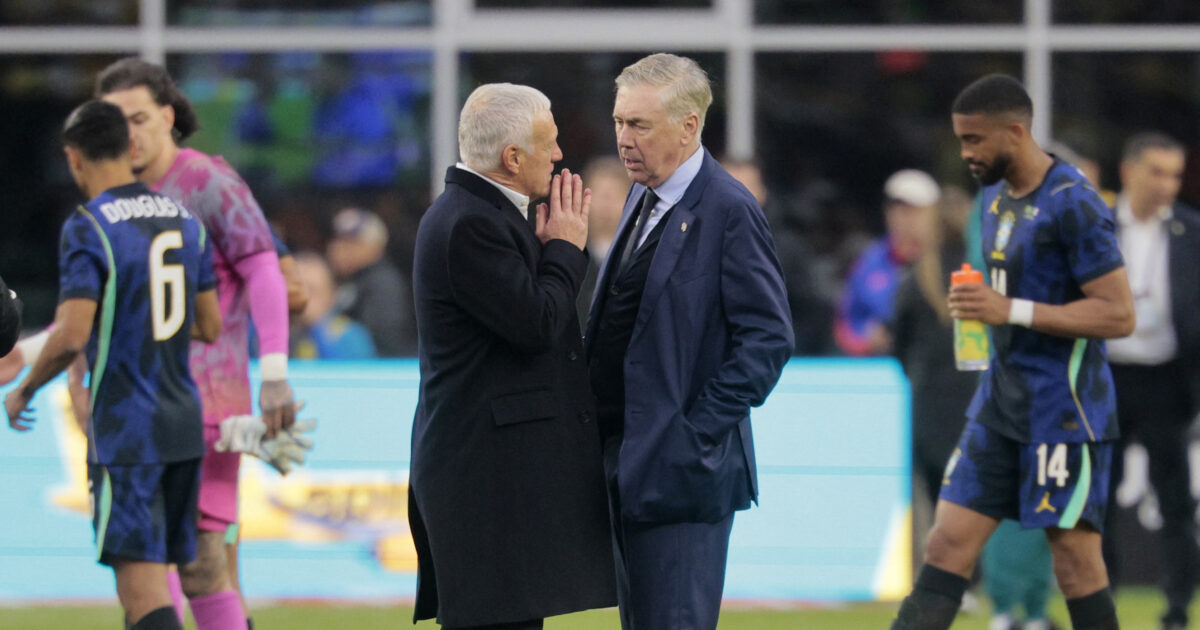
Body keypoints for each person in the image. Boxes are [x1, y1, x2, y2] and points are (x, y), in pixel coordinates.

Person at [890, 73, 1134, 630]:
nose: (966, 153)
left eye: (975, 140)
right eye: (961, 140)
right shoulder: (995, 198)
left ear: (1016, 133)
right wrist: (978, 310)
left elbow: (1119, 314)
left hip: (1064, 410)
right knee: (946, 545)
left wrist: (1011, 310)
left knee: (1076, 564)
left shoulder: (1075, 204)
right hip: (999, 403)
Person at [586, 53, 793, 630]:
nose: (624, 139)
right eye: (620, 122)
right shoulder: (640, 195)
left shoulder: (729, 209)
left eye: (640, 125)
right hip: (629, 467)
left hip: (681, 476)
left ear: (689, 127)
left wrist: (693, 433)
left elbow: (768, 341)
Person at [96, 57, 297, 630]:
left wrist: (275, 372)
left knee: (181, 566)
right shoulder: (119, 191)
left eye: (138, 118)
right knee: (175, 569)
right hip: (139, 403)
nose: (128, 134)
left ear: (167, 114)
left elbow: (264, 271)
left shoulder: (207, 181)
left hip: (207, 404)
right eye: (115, 122)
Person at [4, 100, 220, 630]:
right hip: (182, 424)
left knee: (142, 594)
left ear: (73, 158)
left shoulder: (89, 226)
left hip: (128, 429)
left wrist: (26, 388)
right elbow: (209, 325)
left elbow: (73, 332)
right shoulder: (185, 219)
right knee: (171, 577)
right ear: (129, 150)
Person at [408, 83, 616, 629]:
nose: (559, 154)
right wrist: (568, 249)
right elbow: (537, 323)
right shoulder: (471, 223)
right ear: (512, 157)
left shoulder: (478, 214)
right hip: (486, 481)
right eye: (549, 143)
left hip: (492, 474)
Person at [1103, 132, 1200, 630]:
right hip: (1108, 378)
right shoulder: (1097, 228)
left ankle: (1179, 611)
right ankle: (1103, 607)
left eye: (1175, 174)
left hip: (1167, 382)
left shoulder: (1191, 230)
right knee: (1100, 499)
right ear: (1129, 171)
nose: (1168, 185)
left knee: (1176, 502)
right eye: (1158, 172)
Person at [835, 169, 939, 356]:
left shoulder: (947, 261)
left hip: (931, 364)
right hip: (877, 366)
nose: (904, 218)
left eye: (913, 211)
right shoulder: (869, 261)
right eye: (897, 209)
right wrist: (863, 343)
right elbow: (844, 320)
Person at [327, 207, 415, 356]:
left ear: (375, 246)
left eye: (351, 243)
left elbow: (386, 341)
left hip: (379, 370)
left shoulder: (383, 283)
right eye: (338, 241)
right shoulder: (352, 280)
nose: (339, 249)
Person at [290, 251, 376, 359]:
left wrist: (317, 325)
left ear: (332, 295)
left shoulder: (350, 336)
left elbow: (347, 371)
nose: (305, 300)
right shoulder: (282, 333)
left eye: (313, 291)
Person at [576, 155, 628, 323]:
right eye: (600, 195)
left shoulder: (641, 262)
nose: (606, 205)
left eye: (614, 196)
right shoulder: (570, 258)